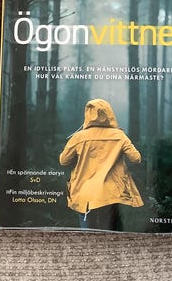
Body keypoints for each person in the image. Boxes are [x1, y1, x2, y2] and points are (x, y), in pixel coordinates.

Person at [59, 98, 143, 231]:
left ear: (88, 114)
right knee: (108, 230)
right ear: (109, 113)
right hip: (110, 192)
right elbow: (136, 158)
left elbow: (63, 160)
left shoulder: (79, 137)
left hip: (84, 191)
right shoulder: (119, 136)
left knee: (87, 231)